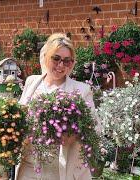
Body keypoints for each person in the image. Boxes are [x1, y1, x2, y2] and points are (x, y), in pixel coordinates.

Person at [16, 33, 96, 180]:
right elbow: (20, 116)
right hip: (29, 167)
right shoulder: (32, 82)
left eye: (67, 61)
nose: (61, 65)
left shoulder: (81, 91)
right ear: (46, 56)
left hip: (60, 170)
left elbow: (95, 128)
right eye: (56, 58)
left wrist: (73, 136)